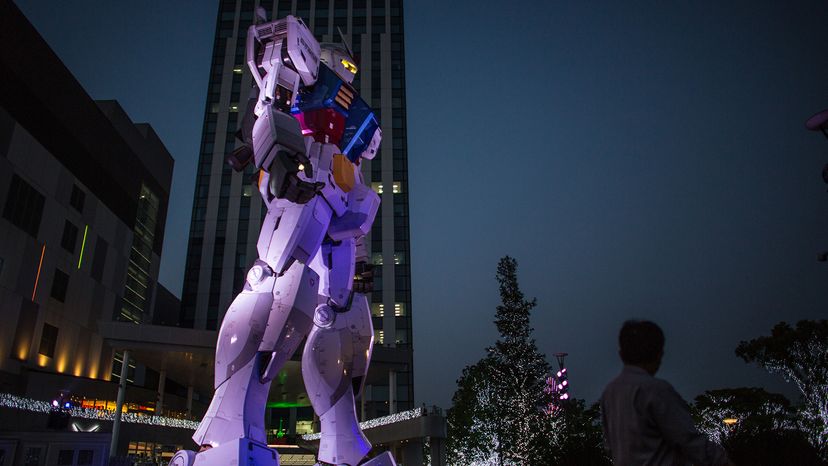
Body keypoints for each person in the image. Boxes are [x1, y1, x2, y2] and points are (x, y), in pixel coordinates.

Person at [601, 320, 731, 465]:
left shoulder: (609, 393)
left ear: (621, 353)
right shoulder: (656, 390)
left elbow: (609, 445)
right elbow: (689, 440)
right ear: (659, 353)